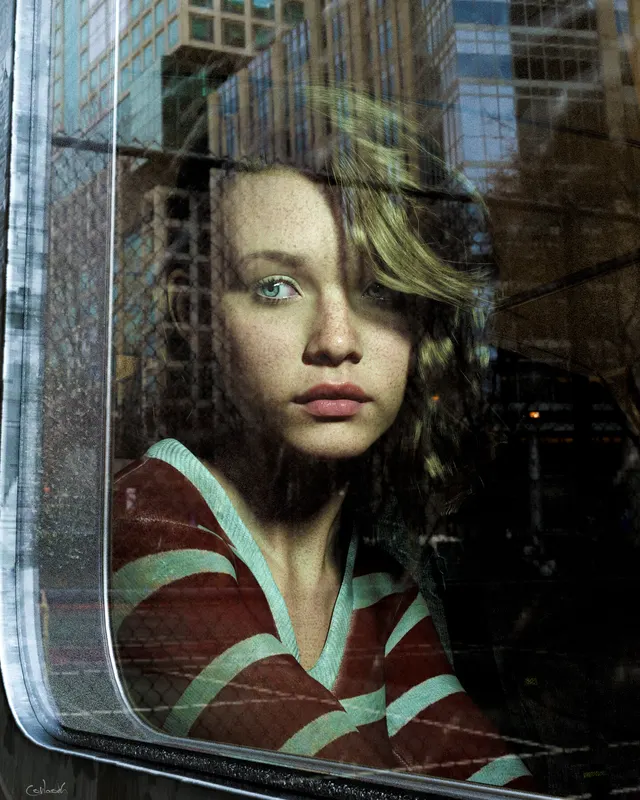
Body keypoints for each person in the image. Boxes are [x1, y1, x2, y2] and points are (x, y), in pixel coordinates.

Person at [110, 86, 533, 787]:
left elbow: (482, 776)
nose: (336, 341)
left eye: (382, 291)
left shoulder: (378, 586)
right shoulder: (143, 521)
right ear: (195, 311)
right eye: (277, 286)